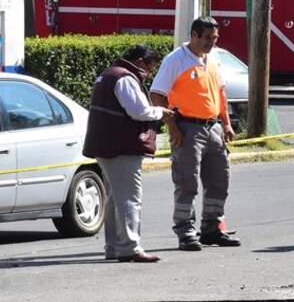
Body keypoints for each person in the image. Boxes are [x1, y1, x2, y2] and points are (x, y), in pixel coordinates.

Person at [149, 16, 240, 251]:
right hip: (187, 128)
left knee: (220, 181)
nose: (212, 42)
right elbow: (157, 95)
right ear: (194, 35)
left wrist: (226, 124)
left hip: (214, 128)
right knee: (187, 183)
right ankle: (186, 231)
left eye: (215, 38)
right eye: (207, 38)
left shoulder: (215, 57)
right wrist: (172, 127)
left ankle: (212, 228)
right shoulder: (176, 60)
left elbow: (220, 92)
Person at [82, 45, 172, 263]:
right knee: (130, 198)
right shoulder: (125, 78)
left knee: (115, 199)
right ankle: (130, 247)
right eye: (151, 67)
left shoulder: (108, 74)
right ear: (141, 62)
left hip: (106, 144)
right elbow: (138, 111)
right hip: (121, 146)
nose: (149, 73)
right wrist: (161, 112)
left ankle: (114, 246)